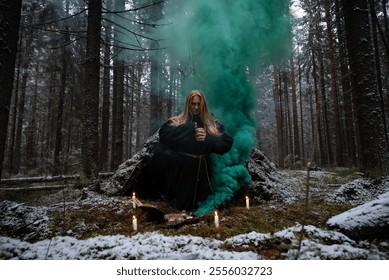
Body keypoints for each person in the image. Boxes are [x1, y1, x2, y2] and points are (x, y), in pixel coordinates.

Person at [136, 90, 233, 212]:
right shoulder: (177, 121)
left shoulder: (212, 123)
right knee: (178, 206)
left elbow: (226, 143)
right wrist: (189, 128)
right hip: (181, 171)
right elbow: (164, 135)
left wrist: (208, 139)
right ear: (188, 104)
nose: (196, 107)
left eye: (199, 104)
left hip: (203, 171)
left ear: (203, 105)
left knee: (203, 207)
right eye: (193, 104)